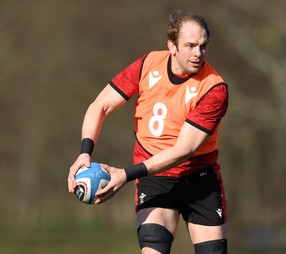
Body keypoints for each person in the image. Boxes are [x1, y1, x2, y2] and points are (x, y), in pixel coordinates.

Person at [67, 9, 229, 254]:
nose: (198, 53)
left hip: (199, 180)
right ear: (171, 46)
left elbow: (183, 150)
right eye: (190, 45)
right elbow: (99, 106)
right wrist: (84, 152)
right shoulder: (148, 64)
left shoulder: (214, 88)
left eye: (203, 46)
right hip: (155, 180)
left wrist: (126, 174)